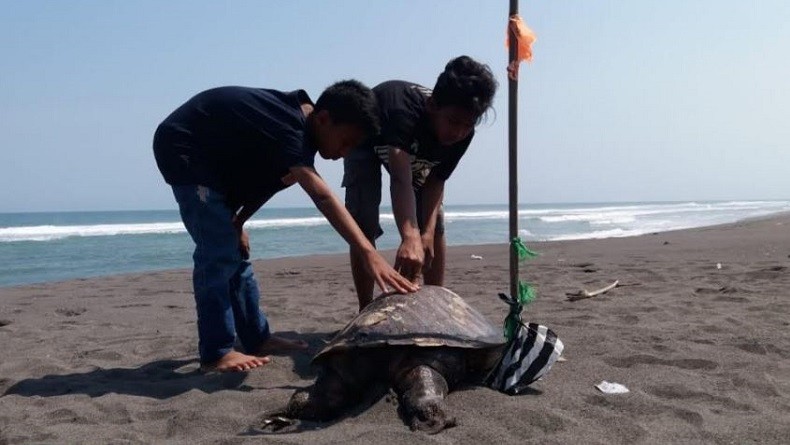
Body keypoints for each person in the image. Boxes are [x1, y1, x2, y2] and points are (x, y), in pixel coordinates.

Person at [153, 80, 418, 372]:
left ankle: (257, 338)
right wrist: (368, 252)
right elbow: (321, 195)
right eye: (345, 142)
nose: (344, 153)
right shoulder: (290, 127)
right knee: (217, 252)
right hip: (185, 147)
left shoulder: (301, 138)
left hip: (220, 161)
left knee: (235, 252)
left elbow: (269, 182)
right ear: (324, 118)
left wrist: (238, 220)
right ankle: (216, 352)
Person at [343, 56, 497, 310]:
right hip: (367, 139)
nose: (458, 132)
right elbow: (400, 177)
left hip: (413, 153)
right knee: (363, 220)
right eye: (453, 122)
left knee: (434, 228)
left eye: (467, 125)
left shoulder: (463, 133)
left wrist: (425, 233)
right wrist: (410, 235)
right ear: (433, 106)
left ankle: (437, 304)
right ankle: (365, 309)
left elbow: (436, 181)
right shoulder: (403, 112)